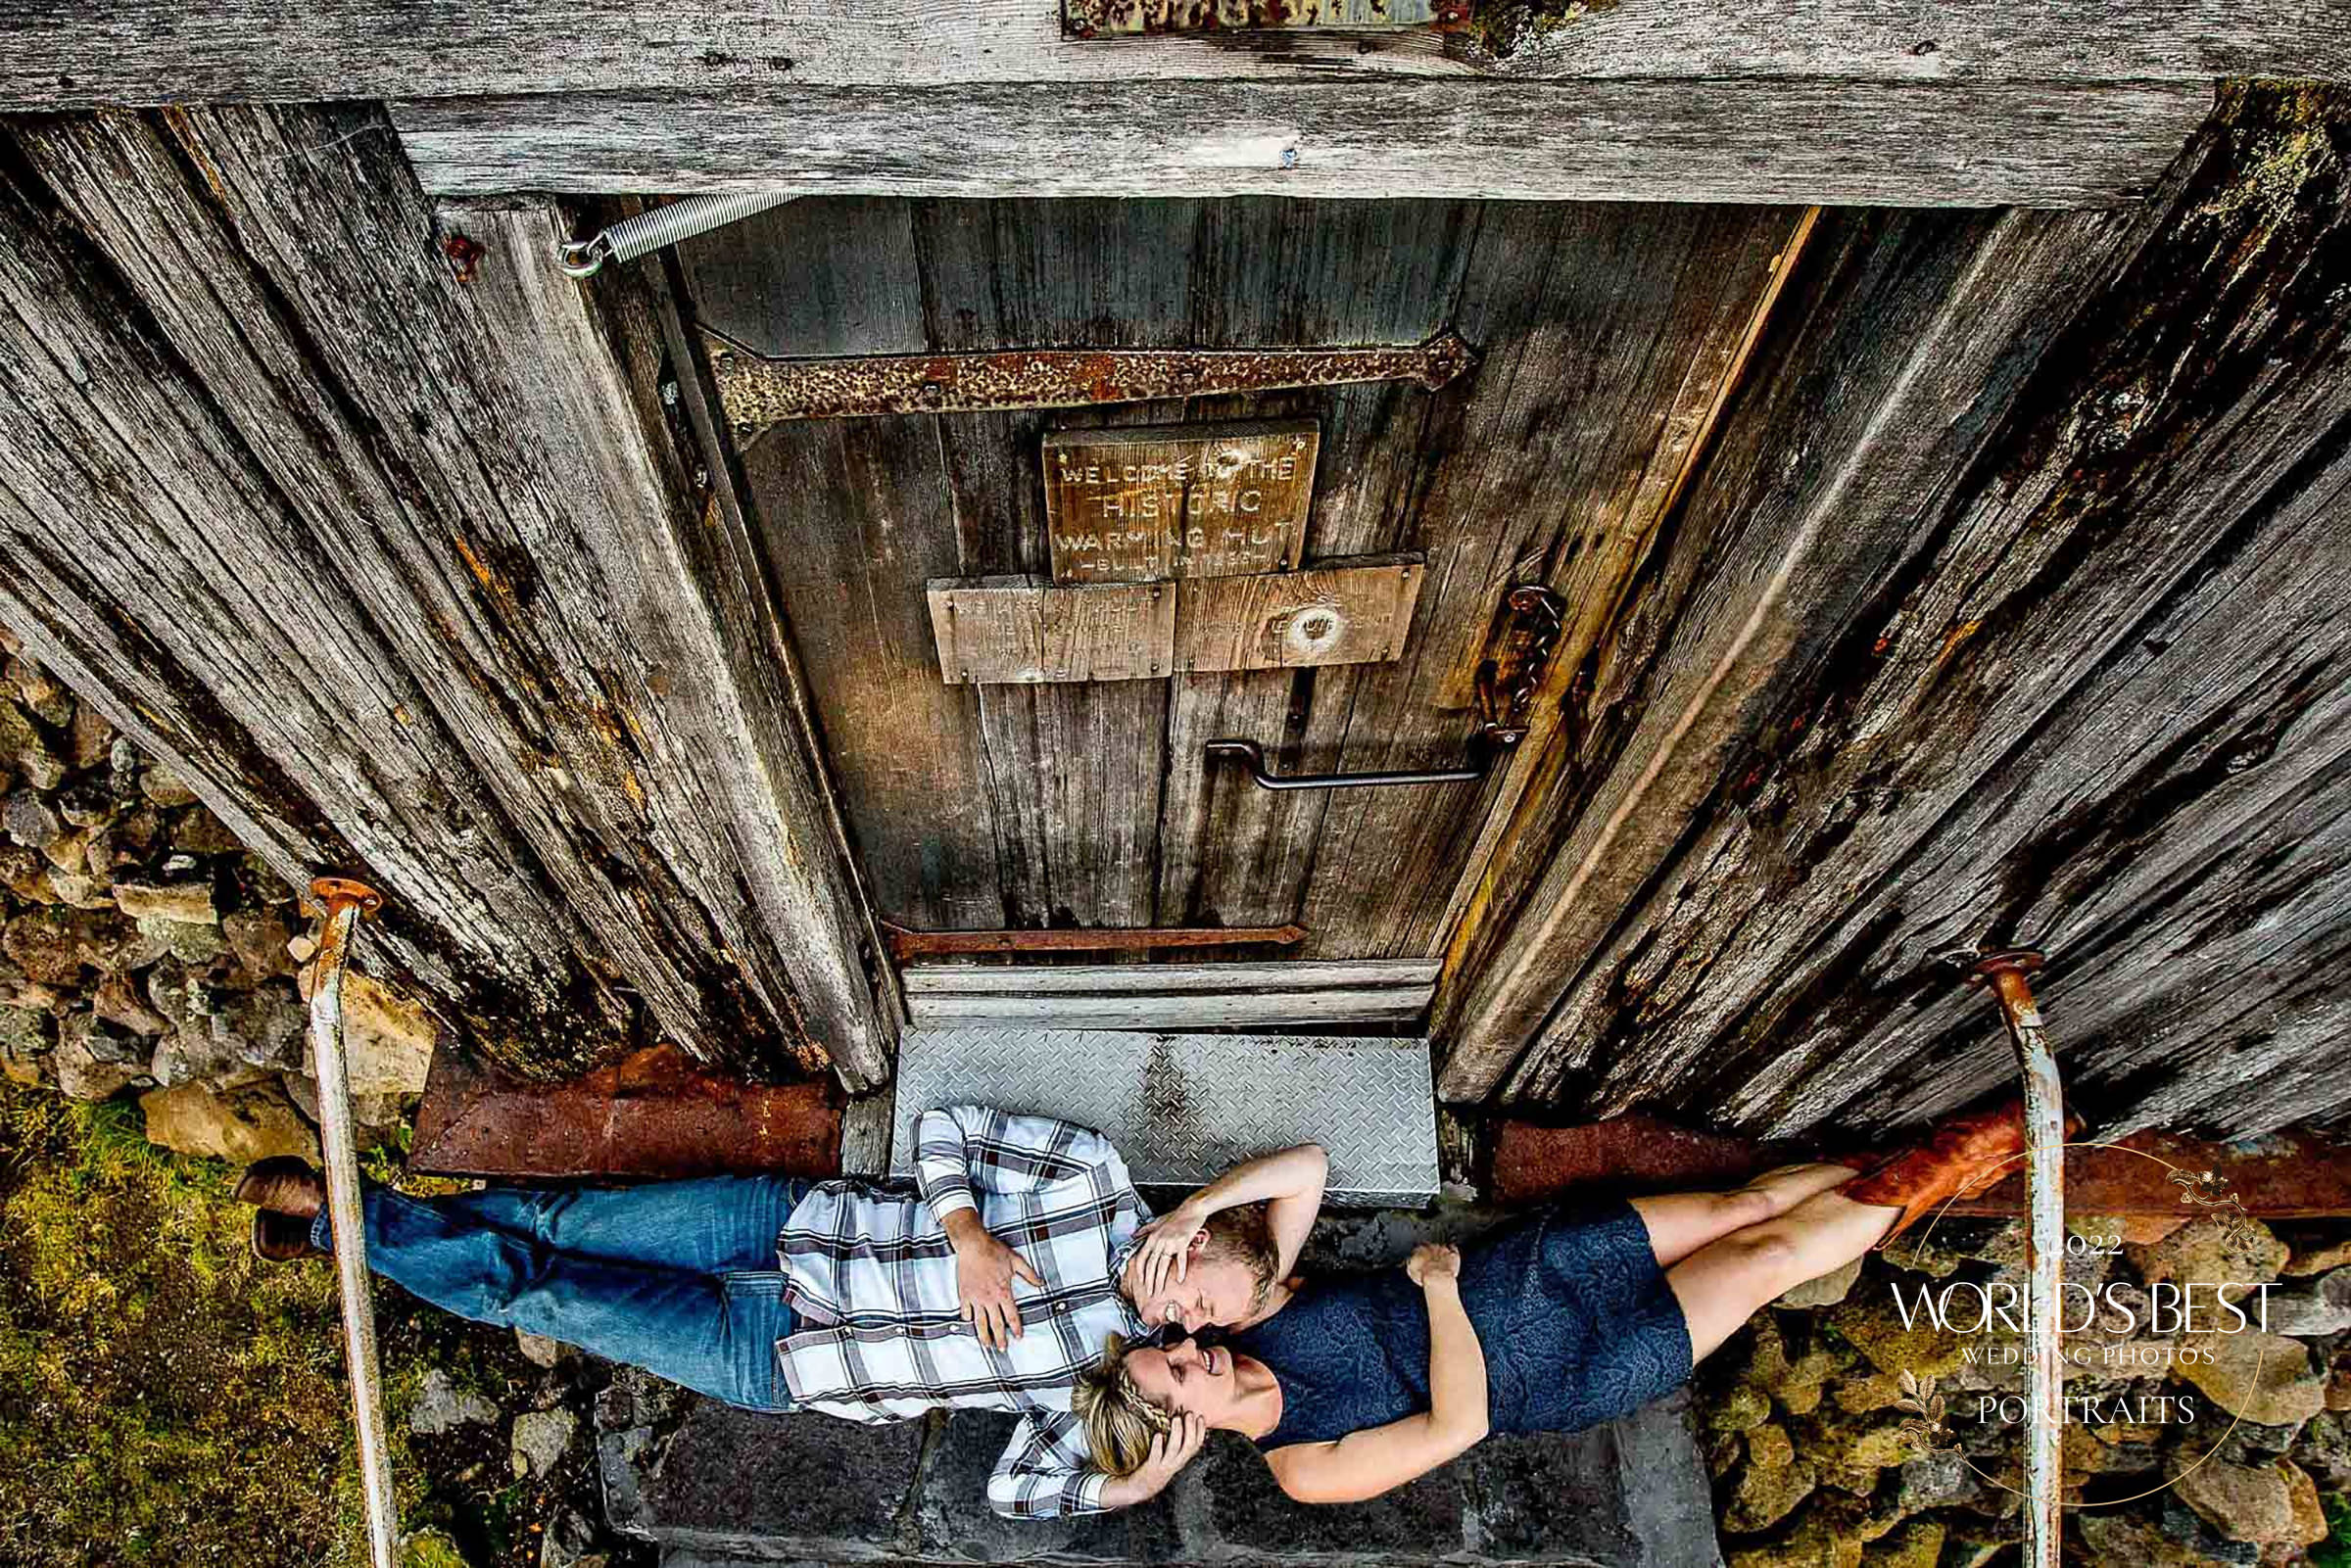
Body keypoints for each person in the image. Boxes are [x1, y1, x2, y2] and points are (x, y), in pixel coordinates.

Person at [234, 1104, 1326, 1517]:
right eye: (1199, 1291)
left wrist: (1143, 1477)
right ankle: (347, 1215)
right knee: (559, 1214)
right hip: (785, 1229)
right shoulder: (1093, 1178)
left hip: (775, 1358)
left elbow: (1013, 1490)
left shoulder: (1102, 1380)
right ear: (1197, 1234)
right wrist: (969, 1236)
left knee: (543, 1289)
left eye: (1199, 1328)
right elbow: (943, 1125)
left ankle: (337, 1219)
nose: (1184, 1321)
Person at [1071, 1099, 2049, 1503]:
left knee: (1742, 1203)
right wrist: (1440, 1293)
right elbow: (1462, 1418)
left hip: (1532, 1271)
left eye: (1172, 1343)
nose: (1192, 1346)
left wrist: (1194, 1209)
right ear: (1182, 1429)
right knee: (1772, 1257)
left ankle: (1909, 1168)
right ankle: (1953, 1166)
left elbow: (1304, 1170)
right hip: (1570, 1368)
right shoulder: (1301, 1467)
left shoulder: (1242, 1310)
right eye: (1180, 1370)